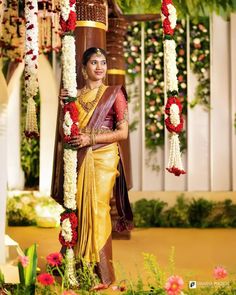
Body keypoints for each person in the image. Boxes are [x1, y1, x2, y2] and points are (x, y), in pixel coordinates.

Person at [51, 47, 133, 290]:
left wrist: (92, 139)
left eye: (103, 62)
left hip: (103, 157)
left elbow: (123, 132)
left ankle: (103, 274)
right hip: (79, 157)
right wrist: (63, 106)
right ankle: (79, 266)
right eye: (94, 62)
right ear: (84, 69)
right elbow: (64, 134)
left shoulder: (114, 94)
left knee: (97, 209)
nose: (100, 67)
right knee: (78, 209)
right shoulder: (73, 97)